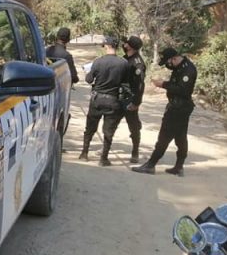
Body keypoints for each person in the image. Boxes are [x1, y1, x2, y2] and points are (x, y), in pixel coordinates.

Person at [132, 47, 197, 176]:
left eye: (168, 62)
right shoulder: (180, 67)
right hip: (178, 106)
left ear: (174, 58)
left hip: (179, 108)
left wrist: (163, 84)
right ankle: (179, 167)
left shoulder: (188, 70)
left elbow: (183, 90)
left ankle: (151, 165)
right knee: (180, 137)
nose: (168, 65)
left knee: (164, 137)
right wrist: (164, 83)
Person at [79, 36, 130, 166]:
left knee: (90, 127)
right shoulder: (123, 63)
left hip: (97, 99)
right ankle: (104, 158)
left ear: (106, 46)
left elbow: (89, 80)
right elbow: (126, 82)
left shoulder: (98, 62)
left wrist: (89, 72)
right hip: (113, 100)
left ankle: (84, 153)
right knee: (109, 131)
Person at [121, 35, 146, 163]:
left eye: (127, 43)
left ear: (130, 47)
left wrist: (136, 102)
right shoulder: (126, 58)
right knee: (111, 123)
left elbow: (140, 85)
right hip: (119, 96)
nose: (125, 44)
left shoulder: (138, 63)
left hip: (130, 99)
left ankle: (135, 151)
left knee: (134, 126)